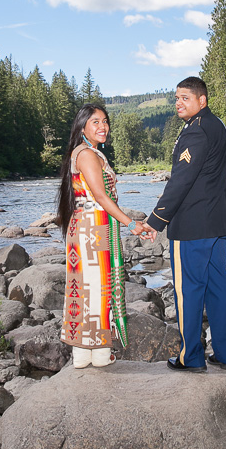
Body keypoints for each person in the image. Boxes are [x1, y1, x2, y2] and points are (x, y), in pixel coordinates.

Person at [144, 76, 226, 372]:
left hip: (193, 225)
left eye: (185, 97)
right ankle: (225, 354)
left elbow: (181, 181)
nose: (179, 103)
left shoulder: (196, 132)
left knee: (190, 290)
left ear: (202, 100)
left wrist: (155, 221)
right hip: (217, 222)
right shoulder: (216, 125)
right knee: (219, 286)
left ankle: (191, 357)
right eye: (176, 98)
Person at [56, 104, 151, 368]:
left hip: (89, 224)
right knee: (97, 288)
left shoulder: (89, 153)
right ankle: (96, 353)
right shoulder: (86, 154)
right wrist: (131, 223)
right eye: (95, 122)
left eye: (105, 121)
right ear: (83, 126)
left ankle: (85, 354)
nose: (103, 126)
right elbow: (100, 196)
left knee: (88, 287)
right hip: (92, 226)